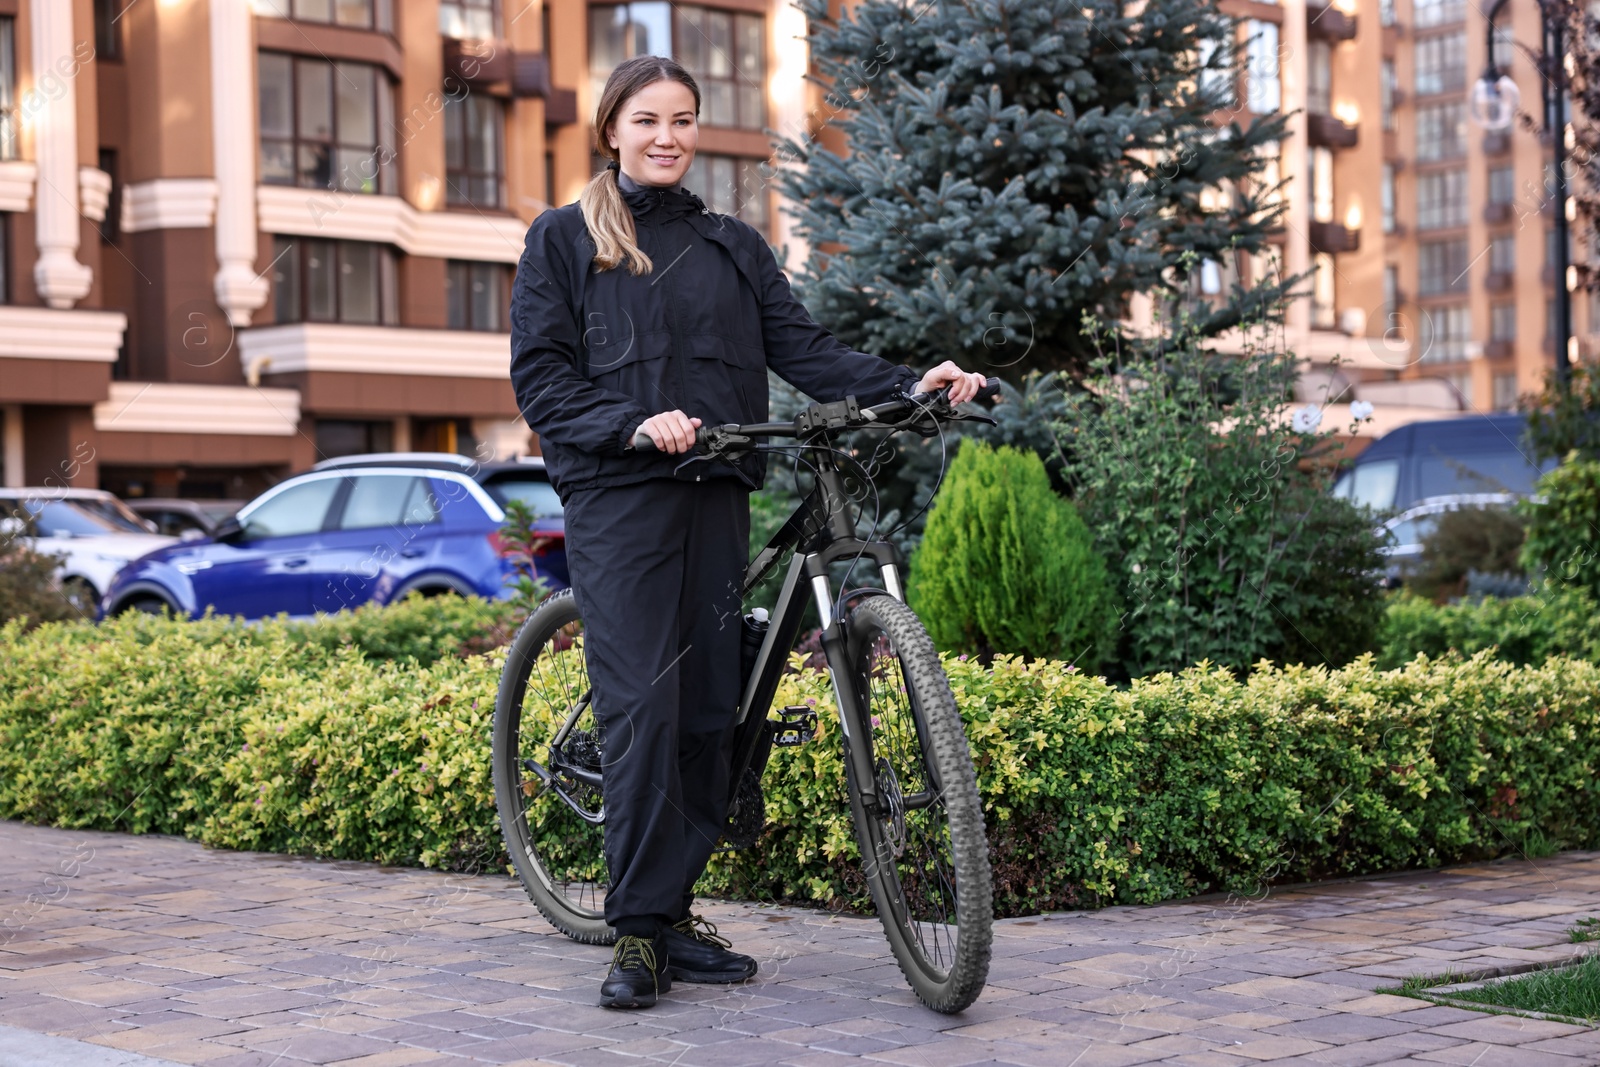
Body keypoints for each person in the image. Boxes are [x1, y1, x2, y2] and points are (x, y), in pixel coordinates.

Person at [509, 55, 986, 1010]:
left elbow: (805, 350)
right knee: (643, 709)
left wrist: (909, 385)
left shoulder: (733, 245)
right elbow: (543, 378)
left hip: (718, 493)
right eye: (648, 120)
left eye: (683, 120)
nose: (666, 137)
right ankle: (636, 935)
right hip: (620, 499)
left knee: (708, 707)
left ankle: (671, 912)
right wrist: (634, 422)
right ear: (612, 128)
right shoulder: (564, 241)